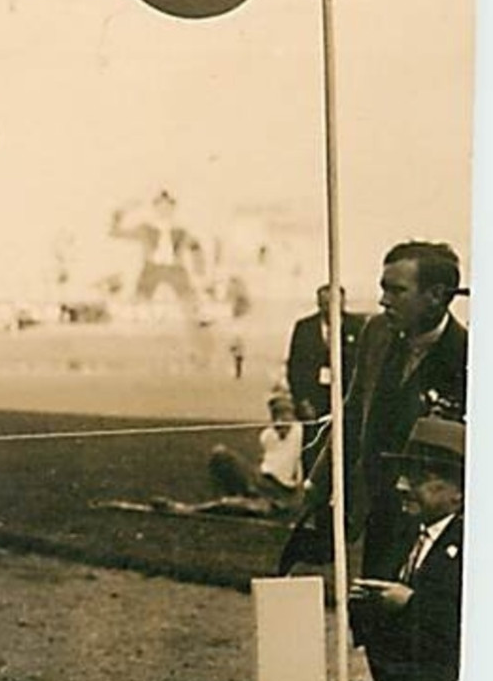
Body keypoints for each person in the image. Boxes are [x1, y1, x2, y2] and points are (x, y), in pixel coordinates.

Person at [275, 415, 465, 681]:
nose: (402, 486)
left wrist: (411, 604)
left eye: (420, 477)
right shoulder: (405, 536)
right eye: (403, 474)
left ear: (459, 491)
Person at [295, 241, 468, 577]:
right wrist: (319, 482)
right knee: (368, 608)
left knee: (420, 615)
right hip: (375, 504)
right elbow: (353, 412)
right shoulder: (376, 333)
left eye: (397, 291)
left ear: (435, 295)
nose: (384, 300)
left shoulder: (468, 355)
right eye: (383, 288)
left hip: (433, 519)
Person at [285, 284, 364, 472]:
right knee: (314, 447)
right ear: (319, 304)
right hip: (314, 400)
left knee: (347, 447)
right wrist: (302, 401)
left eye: (336, 302)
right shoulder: (305, 328)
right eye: (326, 303)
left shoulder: (358, 327)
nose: (331, 307)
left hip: (346, 399)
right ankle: (312, 490)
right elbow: (295, 367)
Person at [200, 387, 304, 516]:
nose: (279, 420)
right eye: (275, 414)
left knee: (242, 506)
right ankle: (229, 498)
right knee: (220, 454)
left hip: (282, 493)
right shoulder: (268, 435)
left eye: (284, 414)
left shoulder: (301, 432)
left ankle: (196, 508)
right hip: (262, 482)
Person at [108, 190, 206, 305]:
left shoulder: (181, 231)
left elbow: (195, 247)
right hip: (152, 268)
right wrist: (121, 212)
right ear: (155, 208)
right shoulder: (145, 229)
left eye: (168, 207)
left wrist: (199, 270)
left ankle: (196, 317)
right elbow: (116, 233)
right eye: (160, 207)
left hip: (175, 269)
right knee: (139, 301)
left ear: (173, 209)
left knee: (190, 300)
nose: (164, 210)